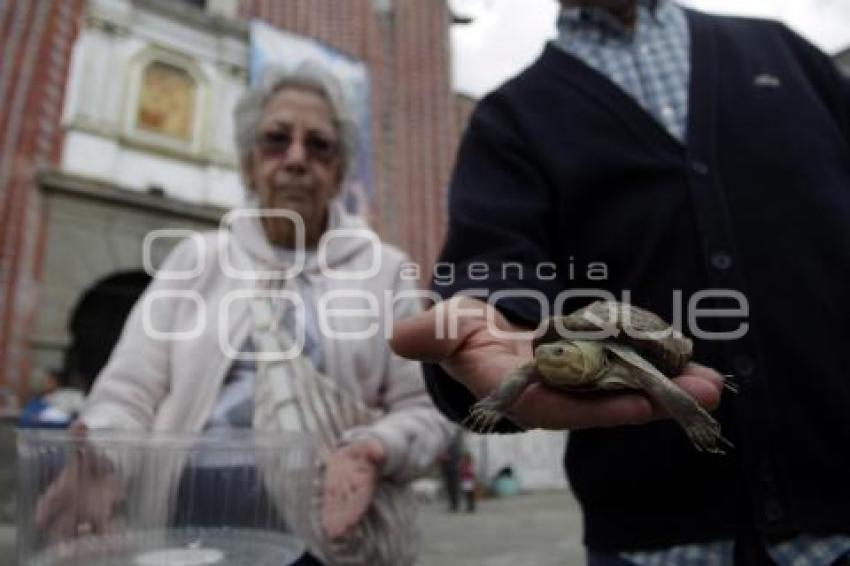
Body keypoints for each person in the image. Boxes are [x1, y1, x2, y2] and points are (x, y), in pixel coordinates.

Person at [391, 0, 850, 564]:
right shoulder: (510, 117)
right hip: (651, 536)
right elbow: (493, 262)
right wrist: (495, 313)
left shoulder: (785, 56)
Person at [36, 62, 453, 565]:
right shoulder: (197, 260)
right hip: (190, 529)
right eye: (277, 140)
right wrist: (100, 456)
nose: (297, 159)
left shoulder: (385, 272)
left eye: (319, 145)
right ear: (249, 163)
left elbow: (427, 407)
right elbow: (130, 391)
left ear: (340, 171)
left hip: (333, 538)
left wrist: (375, 448)